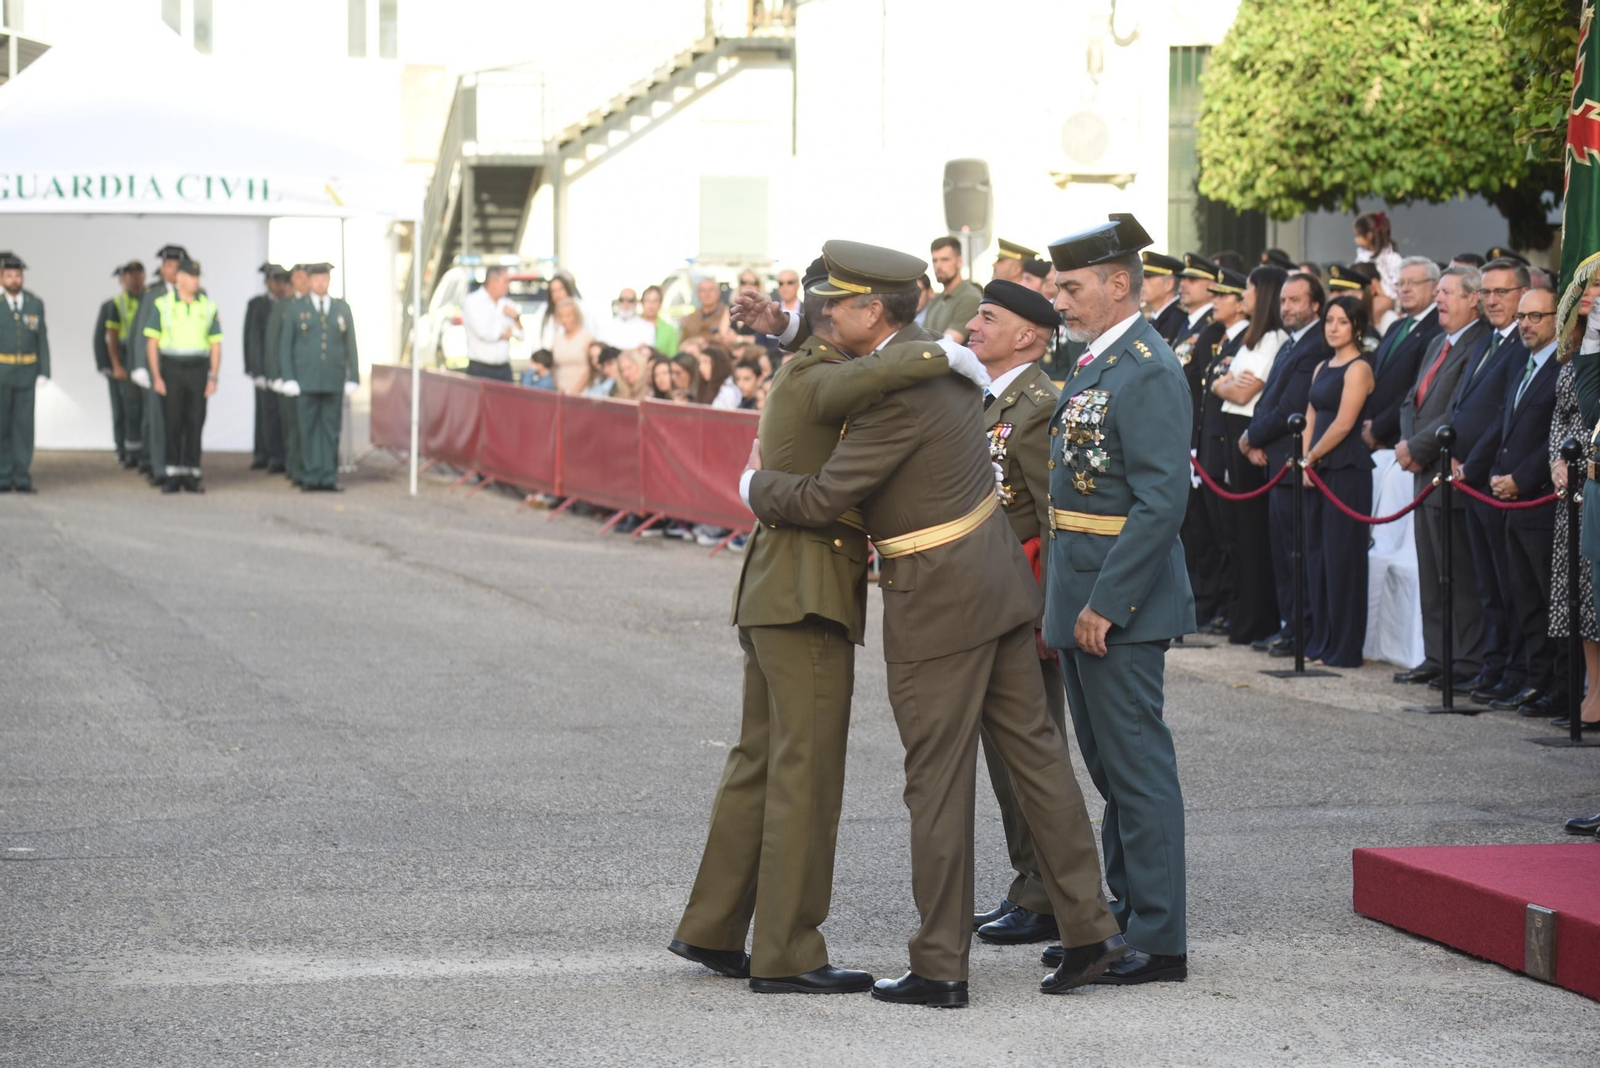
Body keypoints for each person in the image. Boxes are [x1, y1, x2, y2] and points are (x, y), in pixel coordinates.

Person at [739, 239, 1123, 1006]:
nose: (822, 316)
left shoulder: (895, 394)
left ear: (870, 311)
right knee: (1040, 762)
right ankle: (1091, 929)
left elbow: (819, 500)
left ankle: (940, 963)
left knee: (937, 782)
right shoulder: (933, 364)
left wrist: (757, 484)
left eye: (834, 306)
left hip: (938, 599)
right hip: (999, 585)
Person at [671, 243, 974, 998]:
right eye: (825, 306)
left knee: (760, 766)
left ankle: (714, 927)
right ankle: (787, 951)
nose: (822, 314)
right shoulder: (822, 375)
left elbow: (856, 360)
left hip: (777, 588)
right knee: (806, 776)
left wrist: (785, 325)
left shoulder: (804, 364)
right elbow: (883, 369)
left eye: (830, 304)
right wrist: (946, 351)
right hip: (806, 593)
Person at [1035, 213, 1194, 986]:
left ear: (1119, 283)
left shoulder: (1148, 366)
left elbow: (1162, 501)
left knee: (1137, 769)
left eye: (1070, 286)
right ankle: (1126, 919)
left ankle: (1161, 939)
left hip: (1116, 602)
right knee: (1110, 768)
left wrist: (1106, 603)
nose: (1056, 299)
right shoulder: (1099, 357)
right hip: (1082, 589)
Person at [960, 280, 1072, 947]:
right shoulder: (991, 399)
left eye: (988, 317)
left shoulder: (1038, 406)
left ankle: (1049, 892)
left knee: (1031, 752)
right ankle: (1032, 881)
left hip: (1022, 604)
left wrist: (1048, 612)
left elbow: (1054, 517)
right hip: (988, 599)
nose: (973, 326)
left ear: (1028, 335)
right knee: (1004, 757)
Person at [1466, 286, 1563, 717]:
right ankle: (1533, 679)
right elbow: (1506, 428)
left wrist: (1521, 480)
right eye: (1522, 317)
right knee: (1521, 597)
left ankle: (1559, 687)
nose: (1526, 324)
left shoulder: (1564, 367)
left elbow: (1556, 439)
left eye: (1536, 317)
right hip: (1508, 497)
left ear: (1558, 319)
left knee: (1548, 598)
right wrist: (1487, 474)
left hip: (1540, 500)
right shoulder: (1524, 363)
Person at [1393, 266, 1492, 688]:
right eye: (1439, 292)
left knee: (1457, 571)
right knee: (1431, 570)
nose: (1440, 300)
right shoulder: (1438, 342)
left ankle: (1466, 661)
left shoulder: (1479, 344)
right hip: (1422, 471)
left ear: (1474, 299)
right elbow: (1410, 400)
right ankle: (1437, 654)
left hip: (1446, 469)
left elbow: (1457, 412)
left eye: (1448, 293)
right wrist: (1406, 441)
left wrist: (1416, 448)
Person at [1452, 258, 1532, 708]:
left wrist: (1473, 462)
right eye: (1485, 292)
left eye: (1502, 291)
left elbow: (1504, 416)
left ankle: (1516, 670)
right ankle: (1496, 662)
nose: (1492, 300)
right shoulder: (1486, 341)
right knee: (1487, 585)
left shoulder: (1522, 344)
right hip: (1473, 480)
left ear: (1524, 293)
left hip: (1497, 478)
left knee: (1510, 585)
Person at [1240, 272, 1329, 656]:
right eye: (1284, 301)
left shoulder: (1314, 344)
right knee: (1282, 553)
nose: (1287, 308)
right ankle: (1289, 627)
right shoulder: (1292, 343)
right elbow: (1266, 402)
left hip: (1293, 462)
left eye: (1296, 301)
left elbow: (1291, 406)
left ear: (1315, 305)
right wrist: (1254, 439)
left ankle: (1302, 631)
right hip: (1275, 460)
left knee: (1298, 552)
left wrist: (1250, 437)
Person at [1212, 266, 1288, 646]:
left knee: (1252, 533)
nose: (1245, 295)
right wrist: (1225, 385)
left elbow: (1241, 393)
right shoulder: (1251, 338)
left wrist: (1225, 386)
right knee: (1236, 533)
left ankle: (1258, 617)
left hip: (1248, 436)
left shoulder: (1274, 338)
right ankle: (1244, 613)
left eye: (1251, 290)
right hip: (1231, 434)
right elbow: (1220, 381)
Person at [1301, 296, 1376, 666]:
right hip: (1316, 469)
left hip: (1346, 470)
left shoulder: (1359, 368)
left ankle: (1344, 648)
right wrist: (1305, 461)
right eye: (1329, 320)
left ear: (1357, 327)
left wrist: (1312, 457)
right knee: (1316, 557)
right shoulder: (1321, 367)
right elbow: (1310, 417)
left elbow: (1345, 423)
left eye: (1342, 321)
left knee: (1342, 558)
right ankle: (1321, 642)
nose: (1333, 327)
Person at [1550, 277, 1600, 732]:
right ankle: (1591, 689)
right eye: (1585, 285)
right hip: (1573, 483)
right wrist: (1555, 460)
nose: (1589, 293)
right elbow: (1562, 413)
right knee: (1584, 594)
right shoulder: (1573, 348)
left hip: (1595, 472)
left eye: (1599, 284)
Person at [1195, 268, 1250, 638]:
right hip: (1209, 444)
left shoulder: (1245, 339)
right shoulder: (1224, 338)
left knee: (1231, 533)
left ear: (1241, 302)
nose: (1215, 300)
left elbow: (1236, 391)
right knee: (1216, 533)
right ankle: (1226, 605)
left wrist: (1218, 385)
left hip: (1224, 446)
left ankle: (1233, 606)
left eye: (1223, 295)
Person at [278, 263, 358, 493]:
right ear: (309, 281)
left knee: (331, 430)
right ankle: (311, 475)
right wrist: (288, 377)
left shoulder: (341, 308)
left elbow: (350, 343)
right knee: (308, 429)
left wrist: (353, 376)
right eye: (317, 279)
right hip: (306, 379)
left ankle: (328, 476)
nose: (321, 283)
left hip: (332, 379)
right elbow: (286, 345)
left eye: (325, 279)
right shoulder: (296, 308)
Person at [144, 256, 221, 494]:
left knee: (195, 421)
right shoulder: (163, 303)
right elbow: (152, 342)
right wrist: (156, 376)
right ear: (179, 278)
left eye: (197, 276)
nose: (195, 281)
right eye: (190, 276)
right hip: (172, 368)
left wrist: (213, 377)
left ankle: (192, 473)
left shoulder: (207, 306)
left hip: (198, 368)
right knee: (173, 421)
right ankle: (172, 473)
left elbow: (216, 343)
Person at [1364, 258, 1443, 451]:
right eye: (1401, 283)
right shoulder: (1396, 326)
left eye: (1414, 283)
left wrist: (1377, 430)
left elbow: (1416, 390)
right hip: (1370, 434)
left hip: (1401, 441)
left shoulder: (1439, 330)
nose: (1405, 289)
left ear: (1435, 288)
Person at [128, 245, 186, 487]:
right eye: (169, 267)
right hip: (156, 364)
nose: (172, 271)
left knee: (180, 418)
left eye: (176, 267)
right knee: (157, 419)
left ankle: (179, 467)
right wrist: (139, 365)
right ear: (162, 269)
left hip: (182, 366)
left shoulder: (192, 292)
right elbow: (141, 330)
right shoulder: (153, 293)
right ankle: (159, 466)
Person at [0, 252, 49, 493]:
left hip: (27, 372)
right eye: (9, 275)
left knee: (24, 426)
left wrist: (44, 370)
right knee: (2, 425)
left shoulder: (34, 303)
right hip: (2, 372)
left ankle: (21, 474)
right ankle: (3, 474)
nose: (14, 280)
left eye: (17, 275)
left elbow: (42, 339)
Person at [265, 264, 311, 487]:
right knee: (292, 427)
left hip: (309, 376)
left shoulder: (315, 305)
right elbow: (274, 342)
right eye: (299, 279)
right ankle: (295, 468)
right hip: (288, 375)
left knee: (308, 425)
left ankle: (309, 466)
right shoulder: (283, 306)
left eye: (306, 279)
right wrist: (276, 375)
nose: (304, 283)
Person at [244, 263, 288, 472]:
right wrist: (254, 369)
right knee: (265, 413)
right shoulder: (258, 304)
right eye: (275, 281)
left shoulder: (288, 304)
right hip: (264, 367)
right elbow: (252, 339)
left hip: (283, 368)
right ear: (268, 282)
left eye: (282, 281)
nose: (279, 285)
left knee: (281, 413)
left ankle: (280, 455)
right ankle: (266, 454)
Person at [106, 261, 147, 468]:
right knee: (129, 410)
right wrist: (116, 365)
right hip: (126, 357)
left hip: (146, 357)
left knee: (146, 410)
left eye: (139, 274)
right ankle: (130, 452)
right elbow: (110, 337)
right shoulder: (117, 303)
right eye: (131, 275)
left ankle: (144, 453)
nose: (135, 278)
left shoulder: (150, 297)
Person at [95, 264, 134, 466]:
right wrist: (107, 366)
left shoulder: (146, 300)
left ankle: (134, 449)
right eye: (127, 277)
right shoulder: (112, 304)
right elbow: (100, 338)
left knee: (135, 409)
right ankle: (121, 448)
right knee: (119, 409)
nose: (132, 280)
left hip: (136, 359)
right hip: (117, 360)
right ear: (121, 280)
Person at [462, 266, 523, 382]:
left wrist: (515, 316)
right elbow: (484, 333)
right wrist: (506, 334)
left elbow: (520, 335)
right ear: (492, 281)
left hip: (504, 369)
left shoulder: (507, 304)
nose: (508, 285)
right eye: (505, 281)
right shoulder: (473, 301)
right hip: (480, 369)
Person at [923, 236, 984, 343]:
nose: (938, 266)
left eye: (945, 260)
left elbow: (948, 345)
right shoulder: (937, 299)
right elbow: (922, 338)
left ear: (959, 261)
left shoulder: (970, 297)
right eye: (935, 260)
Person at [1354, 209, 1402, 302]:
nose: (1355, 240)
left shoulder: (1392, 259)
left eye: (1358, 235)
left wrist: (1382, 293)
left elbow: (1399, 290)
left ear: (1369, 235)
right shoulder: (1361, 257)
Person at [1140, 252, 1188, 343]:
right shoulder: (1154, 319)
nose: (1142, 283)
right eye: (1142, 277)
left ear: (1168, 284)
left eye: (1148, 277)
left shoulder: (1179, 319)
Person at [550, 299, 594, 393]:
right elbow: (553, 367)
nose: (565, 320)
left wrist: (575, 392)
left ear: (576, 316)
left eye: (568, 315)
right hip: (561, 393)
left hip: (582, 393)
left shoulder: (587, 338)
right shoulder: (556, 339)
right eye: (561, 316)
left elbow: (590, 369)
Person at [679, 277, 732, 345]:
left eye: (711, 289)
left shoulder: (727, 314)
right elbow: (682, 341)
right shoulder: (692, 316)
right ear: (698, 294)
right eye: (703, 290)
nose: (707, 293)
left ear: (718, 292)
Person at [538, 273, 584, 349]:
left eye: (561, 289)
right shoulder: (543, 311)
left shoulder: (581, 308)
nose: (558, 294)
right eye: (554, 291)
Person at [640, 284, 678, 356]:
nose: (651, 304)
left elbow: (672, 355)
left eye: (655, 301)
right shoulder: (632, 324)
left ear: (660, 304)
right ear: (642, 302)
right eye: (648, 300)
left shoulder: (668, 329)